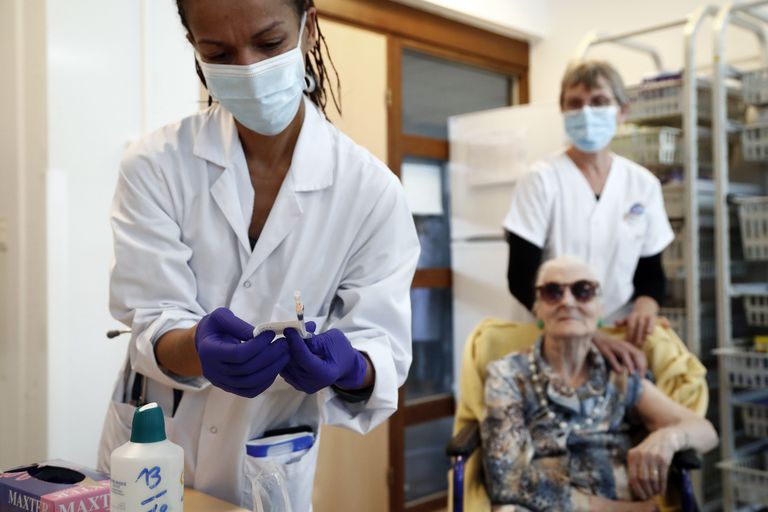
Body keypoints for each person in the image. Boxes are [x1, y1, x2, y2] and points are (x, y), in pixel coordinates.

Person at [97, 0, 420, 508]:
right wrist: (197, 349)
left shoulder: (372, 192)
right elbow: (150, 317)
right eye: (219, 51)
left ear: (308, 28)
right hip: (153, 450)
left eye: (269, 44)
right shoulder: (155, 166)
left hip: (270, 460)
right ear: (194, 49)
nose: (247, 69)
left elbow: (383, 347)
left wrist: (349, 366)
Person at [481, 256, 718, 512]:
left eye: (583, 291)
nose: (567, 301)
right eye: (552, 292)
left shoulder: (617, 374)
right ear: (537, 307)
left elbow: (705, 431)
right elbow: (508, 480)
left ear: (599, 308)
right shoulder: (509, 375)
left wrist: (668, 437)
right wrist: (619, 510)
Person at [504, 60, 674, 348]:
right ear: (563, 110)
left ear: (622, 111)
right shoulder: (540, 179)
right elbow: (521, 277)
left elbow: (651, 272)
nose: (586, 112)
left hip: (619, 332)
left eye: (599, 102)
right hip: (551, 334)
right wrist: (581, 331)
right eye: (575, 103)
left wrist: (647, 306)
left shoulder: (642, 184)